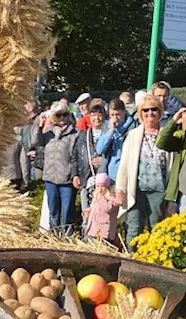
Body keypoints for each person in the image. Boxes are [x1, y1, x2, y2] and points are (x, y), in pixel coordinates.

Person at [115, 95, 171, 247]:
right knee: (134, 228)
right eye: (146, 110)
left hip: (159, 190)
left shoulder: (167, 134)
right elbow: (124, 164)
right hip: (137, 189)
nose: (150, 113)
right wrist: (120, 189)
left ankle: (154, 263)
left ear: (159, 112)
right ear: (141, 113)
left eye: (154, 109)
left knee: (157, 229)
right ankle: (130, 261)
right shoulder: (133, 135)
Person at [35, 101, 80, 233]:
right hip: (50, 178)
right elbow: (34, 142)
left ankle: (67, 239)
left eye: (65, 115)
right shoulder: (47, 134)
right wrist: (39, 125)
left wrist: (74, 175)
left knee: (67, 213)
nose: (62, 118)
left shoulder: (75, 134)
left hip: (66, 180)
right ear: (53, 116)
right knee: (53, 212)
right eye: (58, 115)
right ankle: (54, 237)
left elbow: (75, 157)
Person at [74, 100, 109, 226]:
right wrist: (75, 175)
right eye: (93, 115)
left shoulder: (110, 134)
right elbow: (75, 156)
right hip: (86, 177)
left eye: (99, 114)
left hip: (105, 181)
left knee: (102, 214)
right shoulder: (83, 135)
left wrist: (104, 160)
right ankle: (86, 239)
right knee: (87, 213)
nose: (96, 118)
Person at [96, 98, 136, 181]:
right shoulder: (107, 126)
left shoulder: (133, 126)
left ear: (124, 112)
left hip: (127, 173)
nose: (115, 118)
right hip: (109, 174)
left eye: (118, 114)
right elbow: (100, 149)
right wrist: (111, 131)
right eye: (112, 115)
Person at [85, 173, 122, 248]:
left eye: (102, 186)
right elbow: (93, 207)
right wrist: (88, 211)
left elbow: (107, 208)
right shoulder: (96, 197)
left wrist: (104, 198)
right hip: (93, 230)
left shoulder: (111, 199)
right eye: (98, 186)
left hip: (105, 232)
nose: (100, 189)